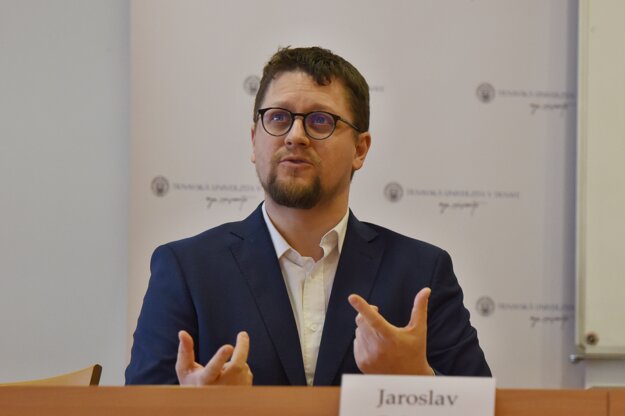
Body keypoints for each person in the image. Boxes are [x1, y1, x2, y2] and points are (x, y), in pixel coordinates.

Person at [125, 46, 491, 386]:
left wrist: (417, 378)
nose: (295, 136)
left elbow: (482, 408)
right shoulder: (187, 268)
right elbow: (135, 407)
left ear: (360, 150)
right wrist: (194, 408)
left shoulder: (420, 271)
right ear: (255, 140)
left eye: (319, 121)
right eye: (279, 118)